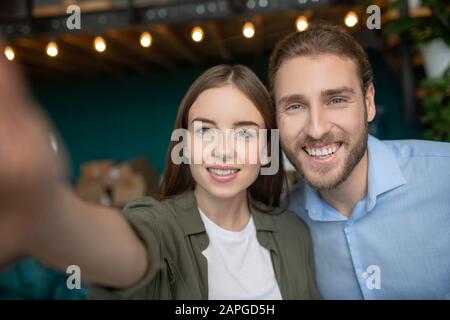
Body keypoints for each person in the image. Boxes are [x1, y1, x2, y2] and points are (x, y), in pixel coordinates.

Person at [0, 60, 320, 299]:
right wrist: (46, 212)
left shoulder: (293, 233)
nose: (223, 151)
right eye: (205, 130)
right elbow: (127, 250)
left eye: (244, 132)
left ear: (267, 150)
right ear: (183, 143)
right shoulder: (157, 226)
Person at [268, 23, 450, 299]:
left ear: (369, 102)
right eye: (295, 106)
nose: (316, 129)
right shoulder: (282, 223)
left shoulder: (443, 177)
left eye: (337, 100)